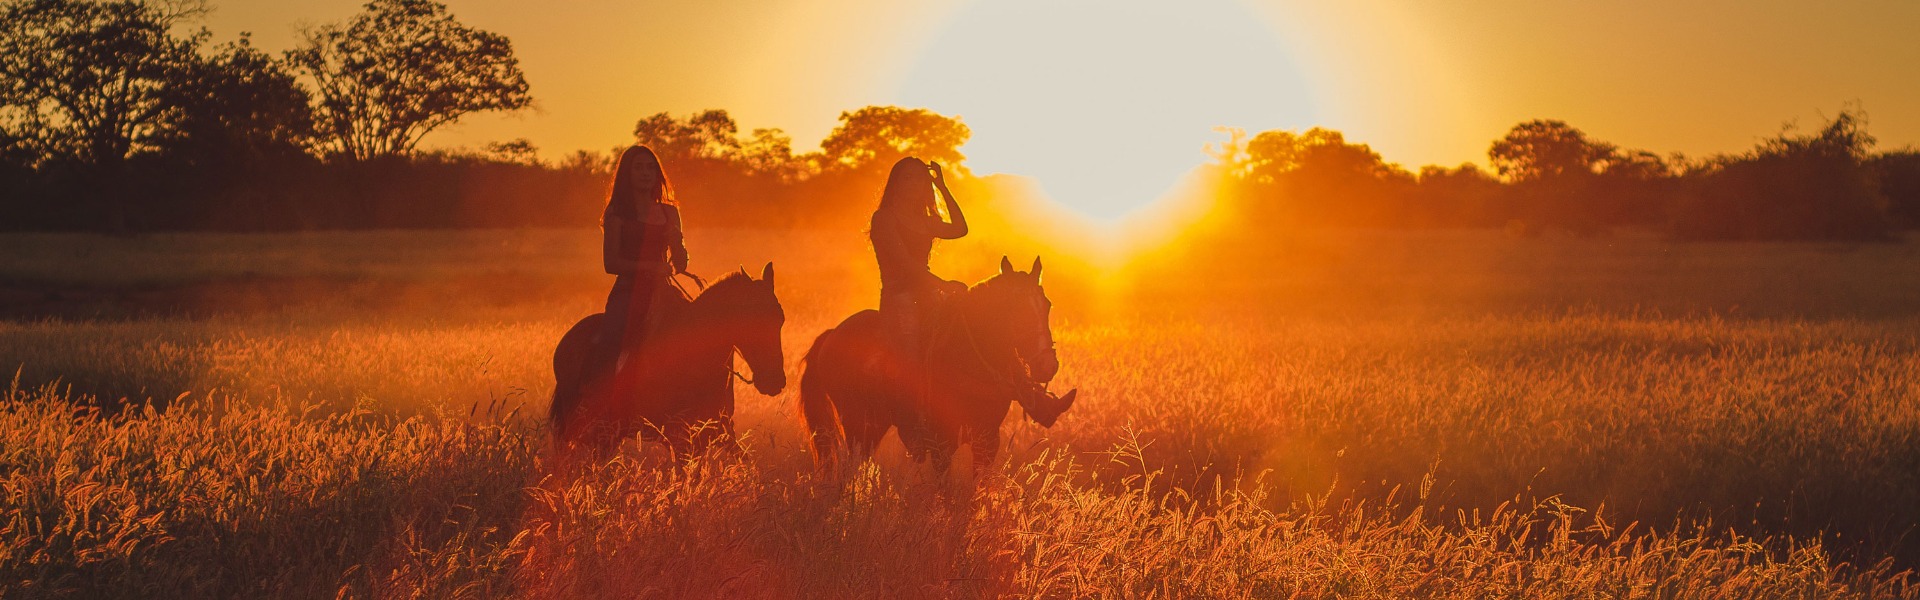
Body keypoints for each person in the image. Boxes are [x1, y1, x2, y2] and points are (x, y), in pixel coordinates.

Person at [593, 145, 690, 379]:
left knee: (695, 332)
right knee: (612, 339)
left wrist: (677, 243)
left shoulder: (670, 212)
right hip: (628, 291)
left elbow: (681, 265)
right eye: (638, 168)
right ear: (627, 173)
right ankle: (597, 396)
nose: (645, 173)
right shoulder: (616, 212)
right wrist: (652, 267)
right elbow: (611, 264)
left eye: (650, 168)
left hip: (663, 291)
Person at [869, 156, 968, 352]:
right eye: (908, 178)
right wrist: (944, 285)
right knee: (912, 357)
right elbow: (906, 264)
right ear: (895, 183)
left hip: (929, 294)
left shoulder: (925, 221)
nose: (915, 183)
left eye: (920, 179)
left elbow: (960, 229)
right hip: (899, 296)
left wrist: (942, 186)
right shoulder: (884, 218)